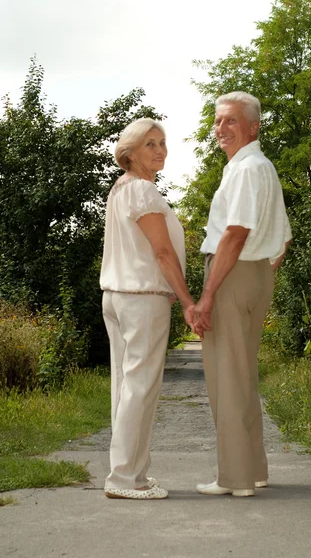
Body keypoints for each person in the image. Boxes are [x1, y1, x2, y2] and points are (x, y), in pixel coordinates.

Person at [194, 91, 292, 497]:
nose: (220, 129)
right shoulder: (260, 167)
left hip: (232, 273)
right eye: (218, 121)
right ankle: (253, 470)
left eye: (230, 121)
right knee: (243, 375)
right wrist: (258, 274)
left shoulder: (247, 169)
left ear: (253, 127)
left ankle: (235, 479)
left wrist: (209, 295)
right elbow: (283, 238)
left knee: (227, 380)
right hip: (254, 273)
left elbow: (235, 234)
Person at [100, 118, 195, 500]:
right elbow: (162, 251)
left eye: (162, 142)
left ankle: (132, 475)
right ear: (130, 153)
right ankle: (124, 479)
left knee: (127, 388)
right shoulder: (143, 191)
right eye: (149, 144)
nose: (159, 150)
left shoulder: (120, 190)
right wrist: (188, 300)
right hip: (142, 299)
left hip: (117, 296)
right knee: (140, 388)